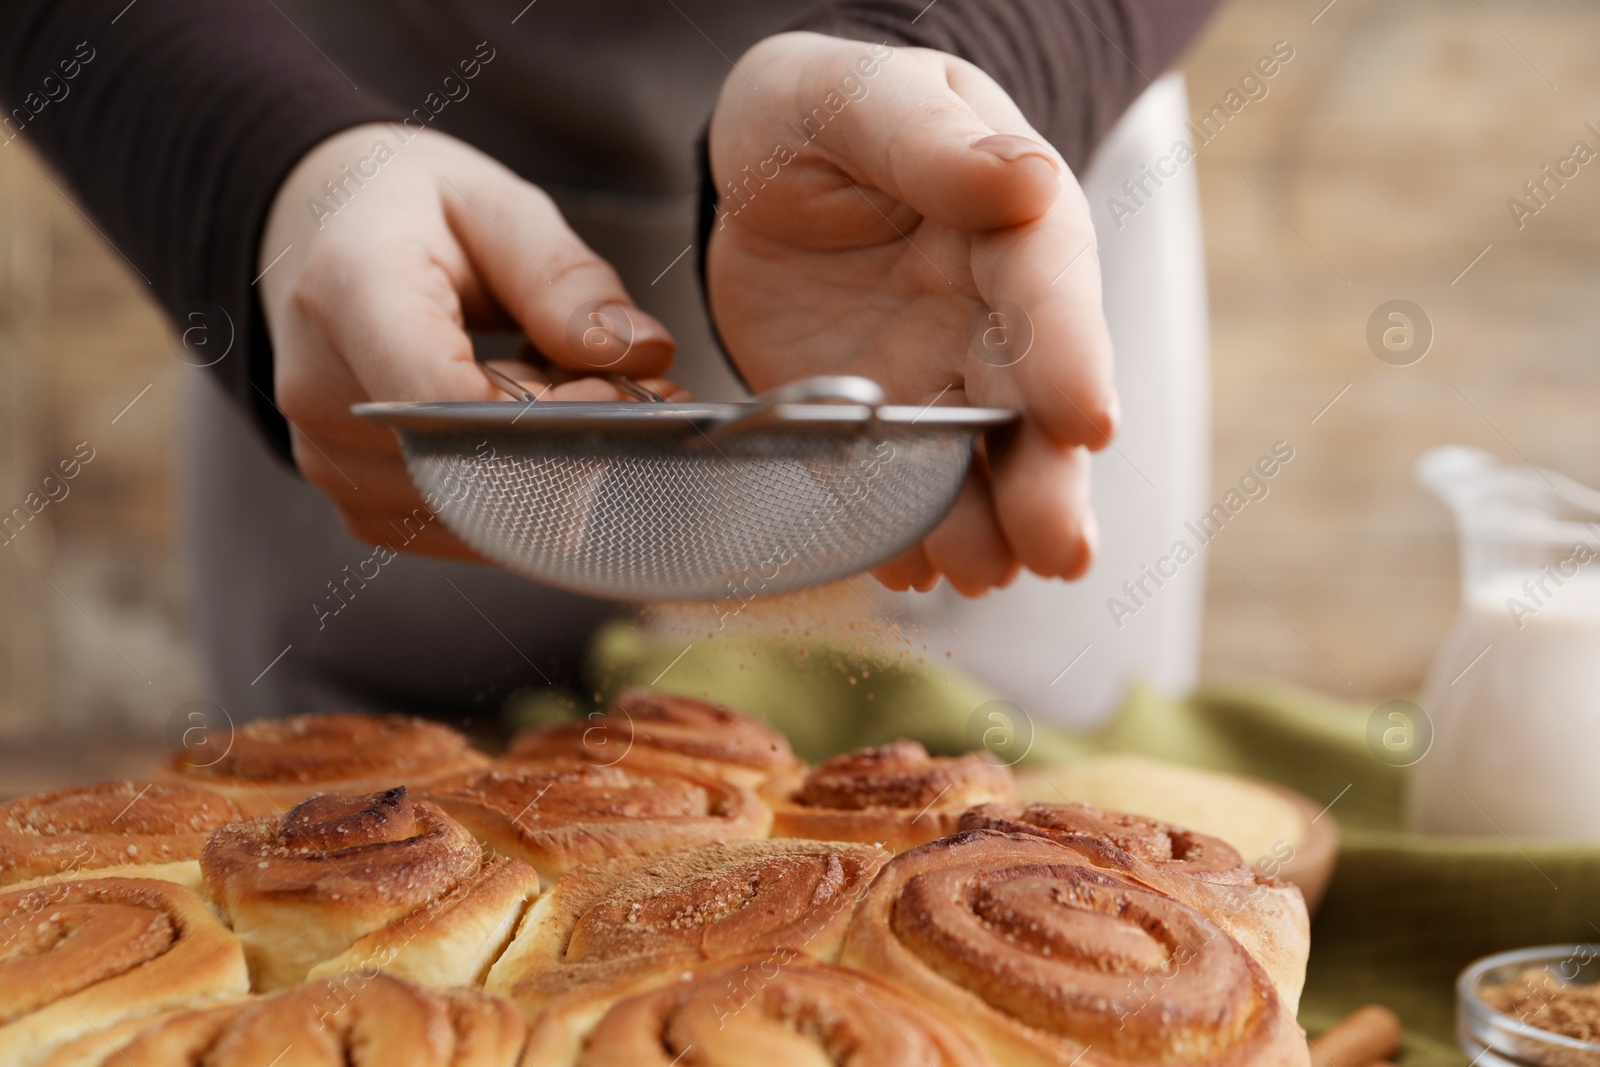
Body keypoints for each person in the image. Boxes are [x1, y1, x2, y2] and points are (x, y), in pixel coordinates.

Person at [1, 0, 1219, 726]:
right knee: (353, 864)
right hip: (330, 143)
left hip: (972, 171)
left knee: (1029, 835)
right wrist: (252, 167)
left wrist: (977, 50)